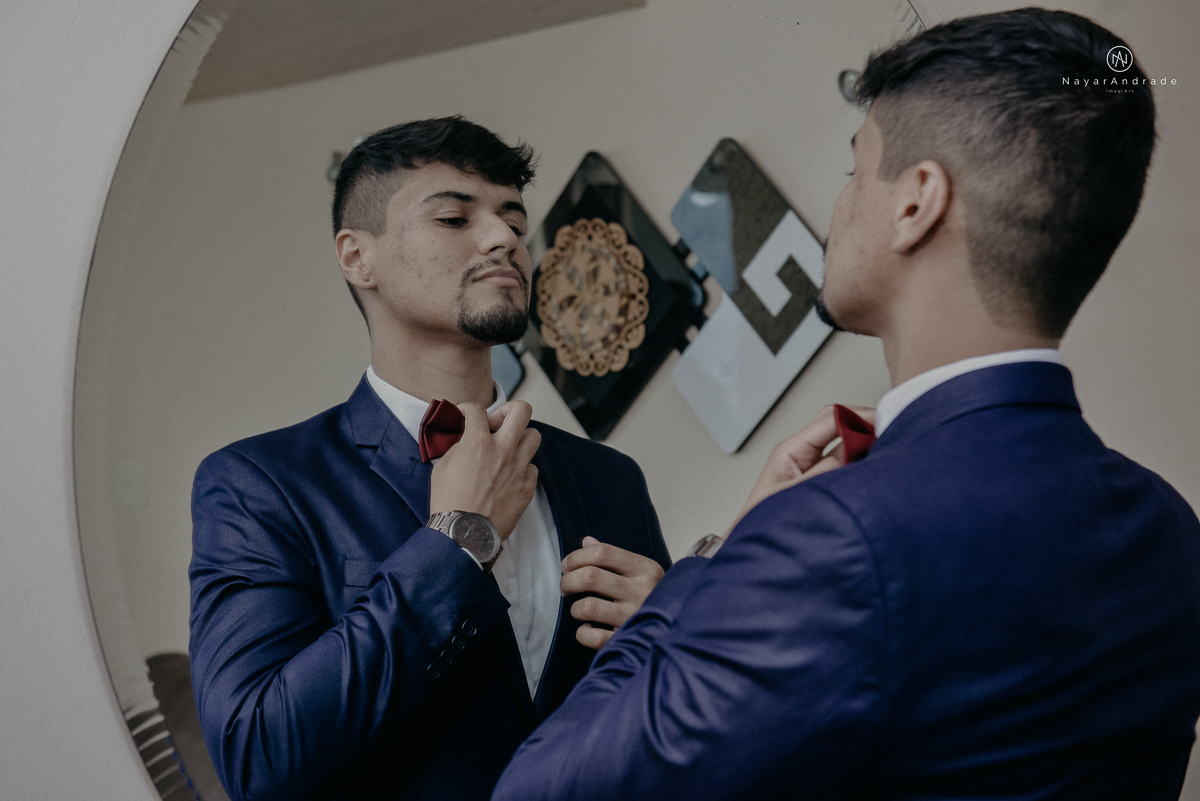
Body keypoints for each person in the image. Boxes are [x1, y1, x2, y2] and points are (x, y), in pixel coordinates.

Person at [493, 9, 1200, 800]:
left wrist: (711, 569)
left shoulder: (833, 536)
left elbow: (540, 790)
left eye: (853, 170)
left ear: (916, 202)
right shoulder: (1170, 526)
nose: (841, 205)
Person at [188, 116, 671, 801]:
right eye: (454, 217)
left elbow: (678, 733)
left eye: (513, 217)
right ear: (358, 257)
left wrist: (680, 624)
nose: (504, 237)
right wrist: (458, 541)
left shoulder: (610, 480)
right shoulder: (258, 486)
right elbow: (260, 757)